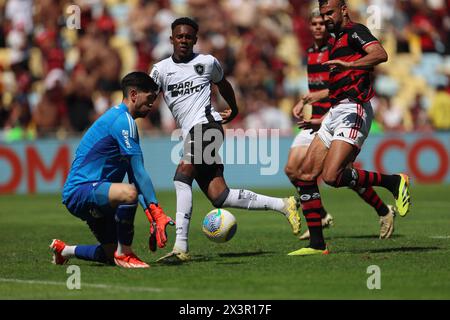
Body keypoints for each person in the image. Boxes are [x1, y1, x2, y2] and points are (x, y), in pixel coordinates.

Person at [149, 17, 301, 263]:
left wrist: (234, 108)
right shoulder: (160, 70)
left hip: (208, 126)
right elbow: (148, 98)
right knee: (220, 196)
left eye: (189, 37)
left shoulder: (207, 62)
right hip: (191, 132)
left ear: (195, 40)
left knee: (182, 174)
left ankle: (180, 247)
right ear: (171, 39)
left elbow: (224, 85)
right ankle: (284, 204)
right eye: (179, 36)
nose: (184, 41)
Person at [288, 0, 411, 256]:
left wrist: (352, 65)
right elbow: (336, 88)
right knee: (305, 176)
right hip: (335, 111)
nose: (326, 19)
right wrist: (317, 114)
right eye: (323, 15)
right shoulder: (334, 41)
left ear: (343, 9)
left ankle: (393, 181)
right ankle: (317, 245)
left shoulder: (356, 31)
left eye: (330, 13)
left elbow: (380, 54)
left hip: (354, 109)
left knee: (332, 177)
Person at [50, 72, 174, 268]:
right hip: (82, 190)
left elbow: (134, 176)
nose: (152, 104)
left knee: (110, 255)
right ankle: (126, 253)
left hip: (93, 193)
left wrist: (151, 214)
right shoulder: (123, 121)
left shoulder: (122, 120)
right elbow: (139, 172)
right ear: (134, 95)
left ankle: (64, 250)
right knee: (128, 193)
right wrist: (156, 210)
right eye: (150, 98)